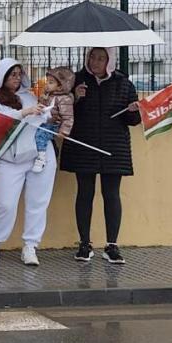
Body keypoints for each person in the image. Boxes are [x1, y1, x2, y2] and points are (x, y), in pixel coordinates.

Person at [61, 47, 140, 265]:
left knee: (111, 194)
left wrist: (133, 110)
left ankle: (112, 245)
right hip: (83, 146)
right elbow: (61, 111)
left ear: (110, 61)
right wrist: (75, 98)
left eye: (101, 58)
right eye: (92, 57)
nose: (95, 62)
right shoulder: (76, 80)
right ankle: (84, 244)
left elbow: (134, 121)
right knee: (85, 193)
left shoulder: (124, 84)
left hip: (114, 148)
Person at [0, 59, 55, 266]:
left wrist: (52, 113)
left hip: (37, 155)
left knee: (37, 202)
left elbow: (41, 120)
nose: (17, 78)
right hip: (7, 158)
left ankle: (30, 246)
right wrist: (23, 113)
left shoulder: (29, 96)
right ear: (2, 75)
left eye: (19, 74)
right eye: (12, 74)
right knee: (5, 203)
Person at [34, 67, 75, 173]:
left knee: (40, 134)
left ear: (60, 86)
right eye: (47, 81)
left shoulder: (64, 99)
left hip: (55, 125)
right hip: (47, 121)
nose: (47, 84)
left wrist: (64, 131)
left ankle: (41, 158)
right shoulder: (50, 95)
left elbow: (68, 117)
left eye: (51, 82)